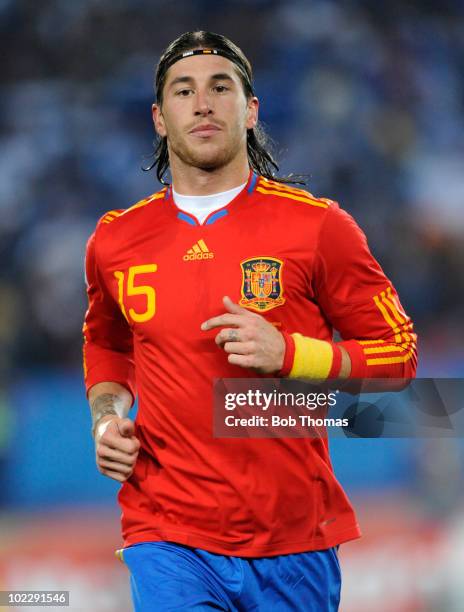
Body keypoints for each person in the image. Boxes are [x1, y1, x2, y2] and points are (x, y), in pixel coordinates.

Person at [83, 31, 417, 611]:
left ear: (251, 108)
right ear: (160, 118)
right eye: (184, 91)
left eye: (221, 87)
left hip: (292, 538)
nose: (204, 103)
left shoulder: (319, 227)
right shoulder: (116, 239)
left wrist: (293, 355)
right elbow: (105, 342)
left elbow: (400, 353)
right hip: (166, 531)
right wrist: (107, 418)